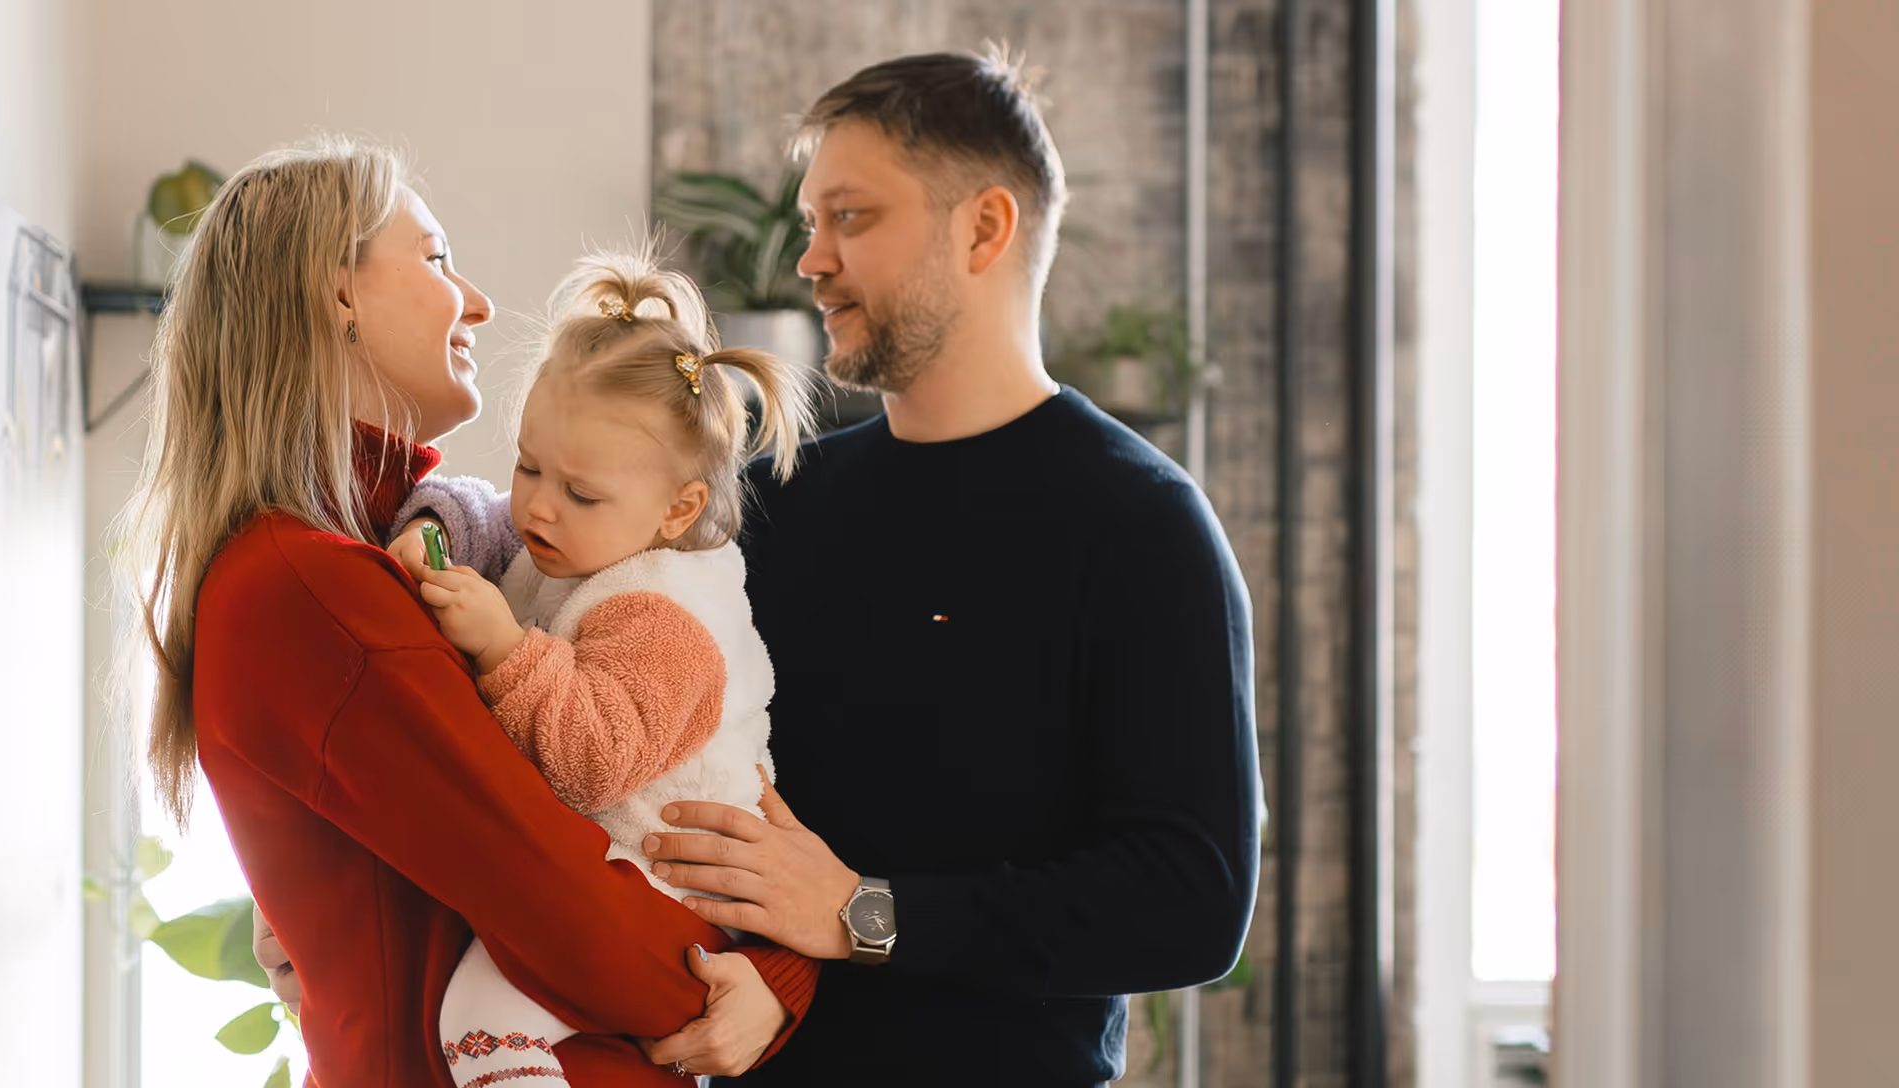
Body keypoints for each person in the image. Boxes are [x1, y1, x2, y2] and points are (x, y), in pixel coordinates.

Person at [116, 136, 818, 1088]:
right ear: (338, 295)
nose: (480, 303)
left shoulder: (365, 557)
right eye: (438, 259)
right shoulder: (313, 587)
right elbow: (560, 902)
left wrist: (773, 969)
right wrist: (761, 978)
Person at [631, 48, 1265, 1086]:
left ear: (984, 228)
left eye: (851, 217)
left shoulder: (1142, 524)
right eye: (812, 222)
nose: (812, 258)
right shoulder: (766, 505)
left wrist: (861, 914)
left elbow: (1190, 901)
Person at [379, 246, 814, 1088]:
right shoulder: (583, 536)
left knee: (481, 1024)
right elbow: (488, 517)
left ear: (678, 509)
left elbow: (595, 759)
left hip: (670, 887)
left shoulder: (667, 614)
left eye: (578, 492)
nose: (540, 505)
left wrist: (504, 648)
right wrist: (434, 528)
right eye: (528, 464)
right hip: (609, 868)